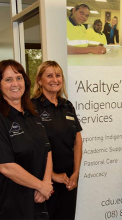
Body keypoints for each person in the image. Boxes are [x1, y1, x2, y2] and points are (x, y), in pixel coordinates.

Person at [0, 59, 53, 219]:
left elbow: (47, 150)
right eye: (8, 79)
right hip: (12, 204)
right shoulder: (2, 119)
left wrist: (46, 183)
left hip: (39, 199)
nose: (15, 84)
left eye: (19, 78)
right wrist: (41, 186)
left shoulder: (33, 115)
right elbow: (6, 166)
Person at [32, 61, 83, 219]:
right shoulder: (32, 107)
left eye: (58, 75)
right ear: (40, 81)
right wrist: (53, 175)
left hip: (68, 181)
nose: (55, 79)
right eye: (49, 75)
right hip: (43, 180)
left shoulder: (67, 106)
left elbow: (78, 141)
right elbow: (32, 147)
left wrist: (75, 173)